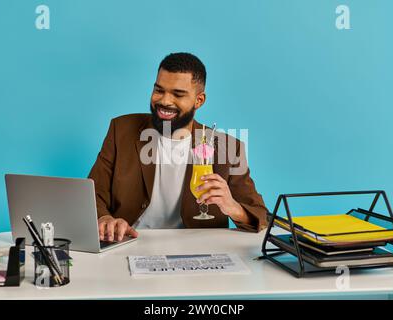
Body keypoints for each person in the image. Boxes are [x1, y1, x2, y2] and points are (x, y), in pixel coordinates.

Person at [88, 52, 268, 242]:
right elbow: (94, 193)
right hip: (128, 244)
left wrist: (234, 208)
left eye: (178, 94)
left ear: (199, 100)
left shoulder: (229, 148)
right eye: (159, 90)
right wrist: (104, 218)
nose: (165, 101)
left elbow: (260, 215)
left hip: (196, 252)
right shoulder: (121, 130)